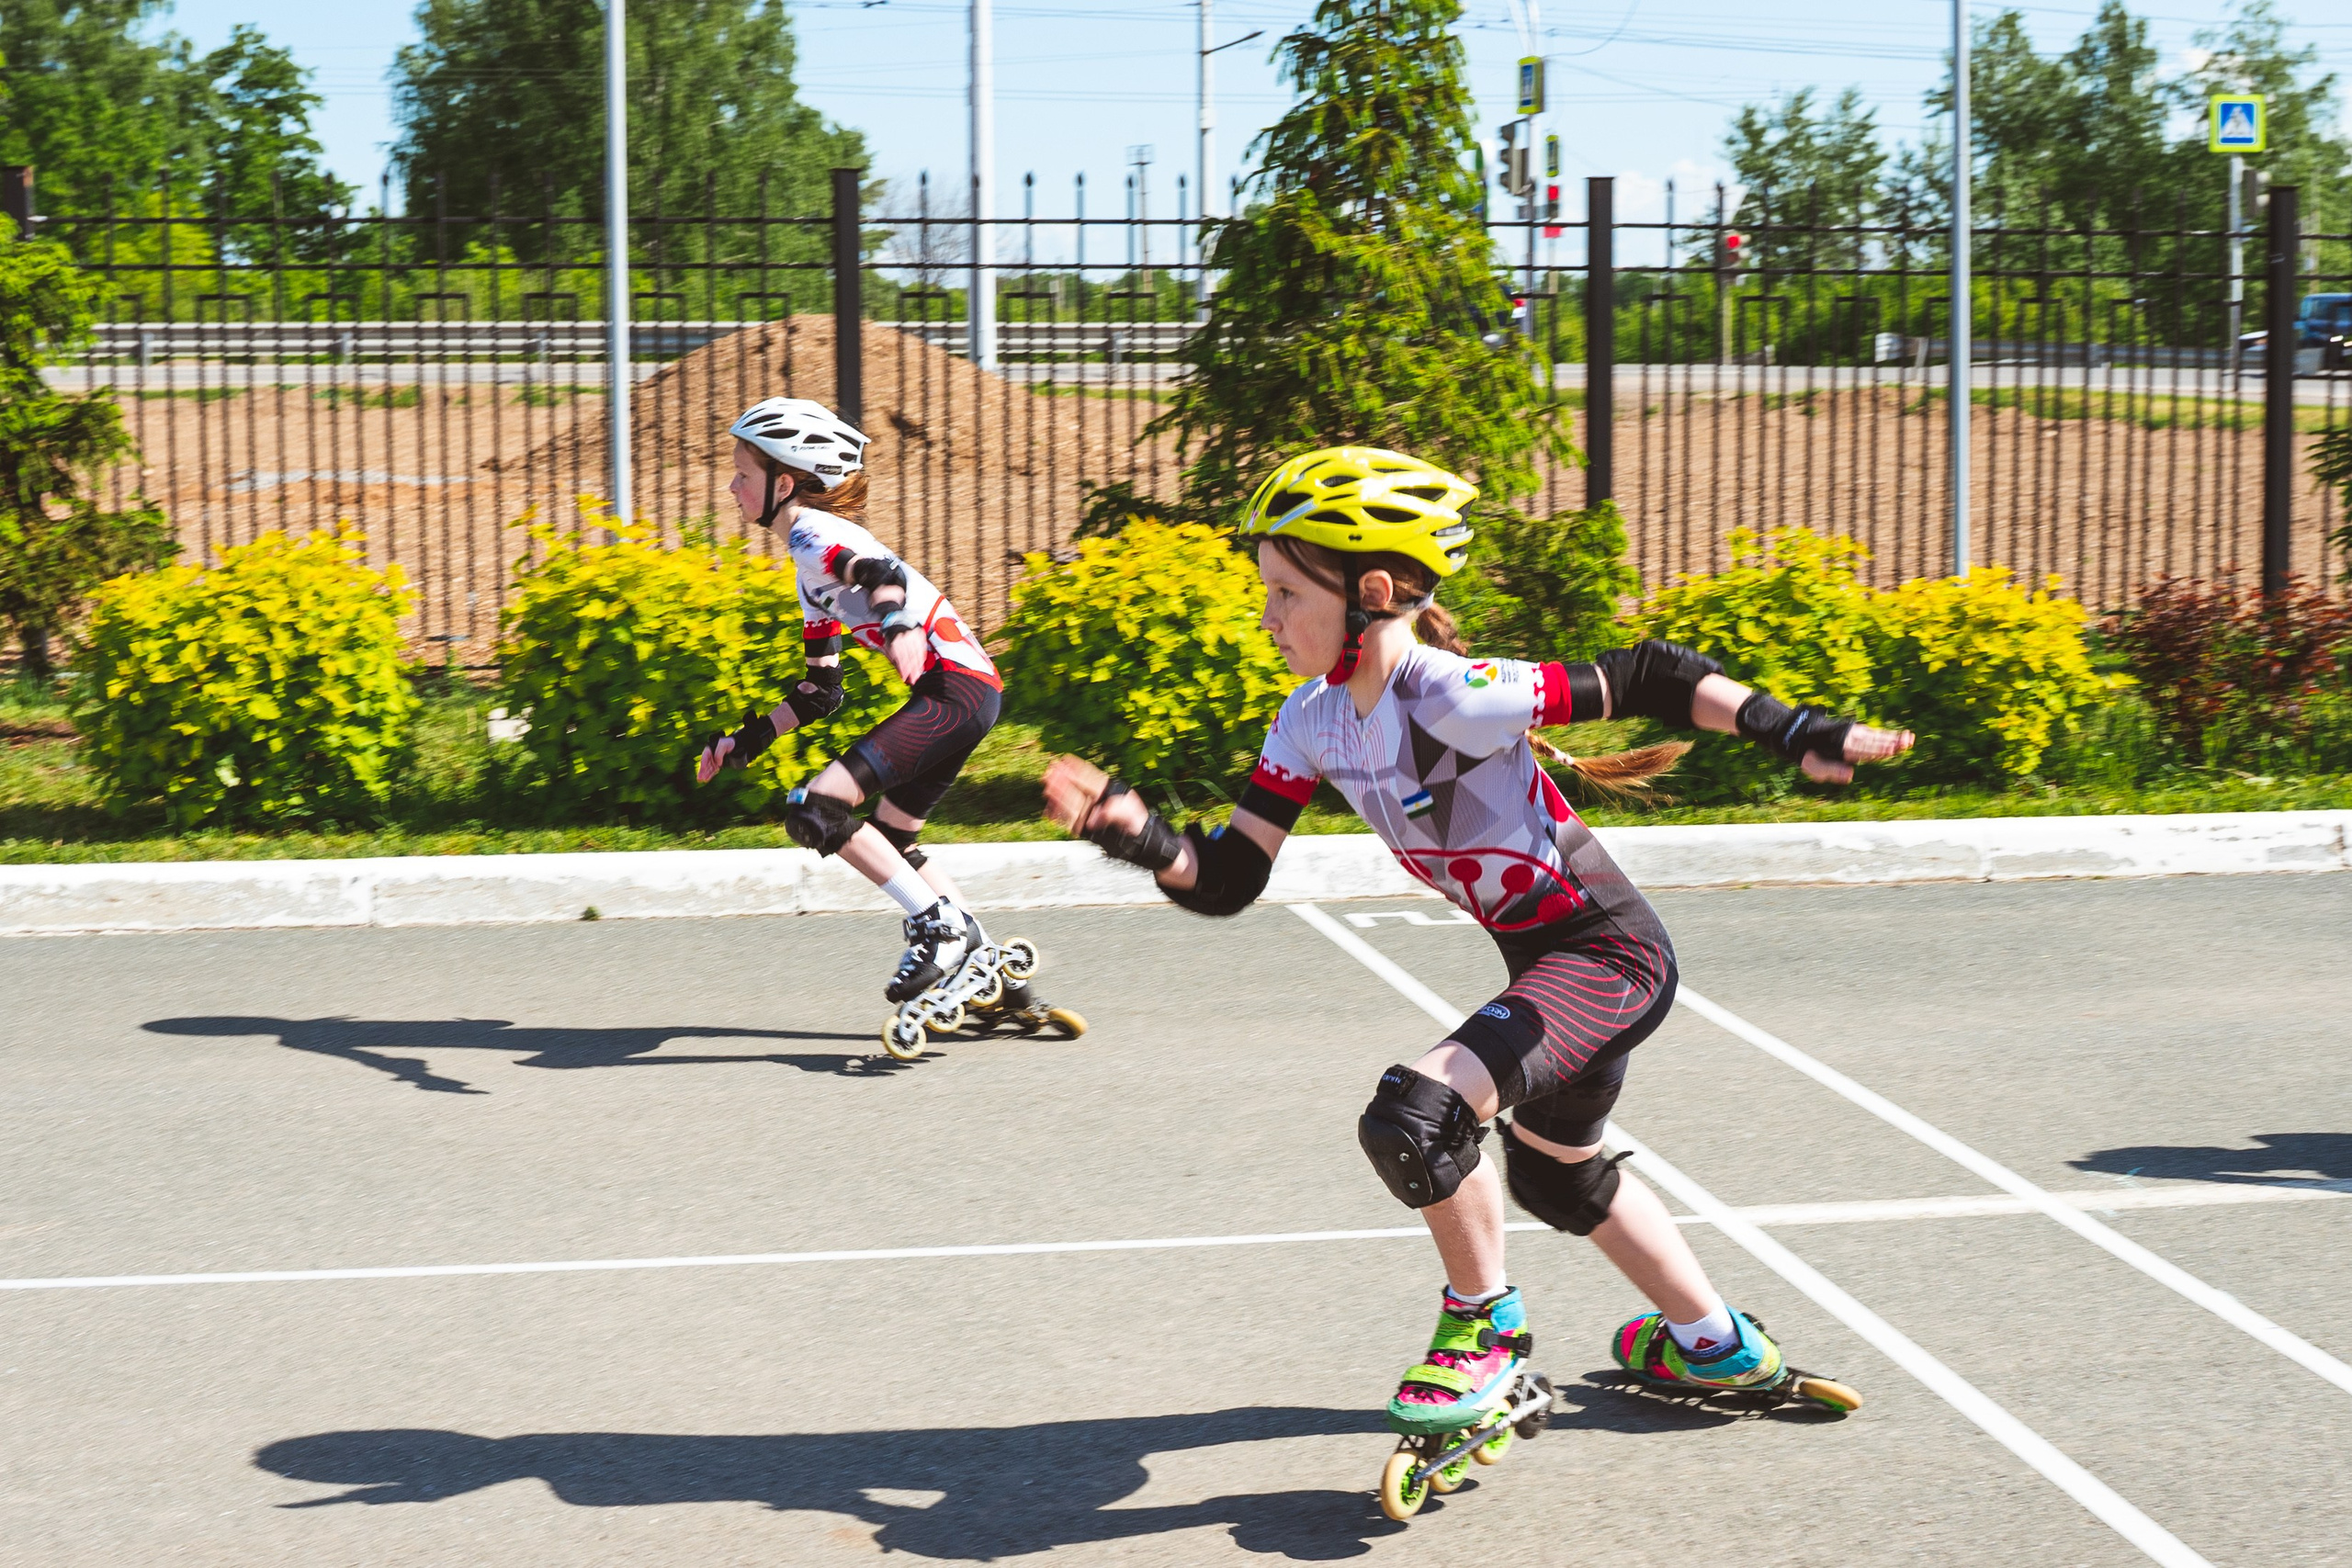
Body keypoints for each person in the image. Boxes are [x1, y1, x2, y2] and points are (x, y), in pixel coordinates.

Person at [1043, 446, 1914, 1445]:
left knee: (1417, 1114)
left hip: (1610, 959)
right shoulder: (1311, 720)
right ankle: (1712, 1345)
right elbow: (1230, 878)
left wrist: (1790, 725)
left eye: (1284, 592)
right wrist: (1136, 836)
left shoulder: (1447, 694)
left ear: (1369, 592)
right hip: (1547, 968)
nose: (1268, 616)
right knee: (1553, 1175)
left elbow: (1650, 674)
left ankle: (1484, 1333)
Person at [695, 397, 1003, 1006]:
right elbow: (821, 690)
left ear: (784, 483)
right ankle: (990, 974)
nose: (730, 487)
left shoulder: (814, 534)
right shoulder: (807, 565)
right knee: (892, 840)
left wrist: (897, 626)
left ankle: (937, 928)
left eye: (743, 474)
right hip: (967, 694)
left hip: (954, 691)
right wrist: (747, 741)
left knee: (815, 810)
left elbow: (880, 572)